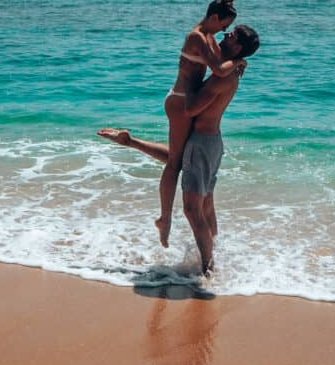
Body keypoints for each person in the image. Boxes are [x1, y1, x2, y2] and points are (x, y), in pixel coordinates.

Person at [101, 25, 260, 275]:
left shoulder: (224, 75)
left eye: (232, 35)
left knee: (192, 210)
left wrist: (184, 83)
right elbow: (177, 159)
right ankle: (212, 256)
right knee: (204, 205)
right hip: (209, 142)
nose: (226, 35)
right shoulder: (230, 70)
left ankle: (208, 269)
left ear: (238, 46)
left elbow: (191, 108)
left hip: (203, 143)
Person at [156, 0, 245, 249]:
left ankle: (176, 225)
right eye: (224, 25)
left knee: (180, 159)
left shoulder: (209, 37)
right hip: (181, 102)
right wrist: (238, 60)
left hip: (185, 103)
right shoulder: (197, 36)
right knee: (174, 163)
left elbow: (220, 66)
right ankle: (165, 219)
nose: (225, 31)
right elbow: (219, 69)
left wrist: (236, 61)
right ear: (215, 17)